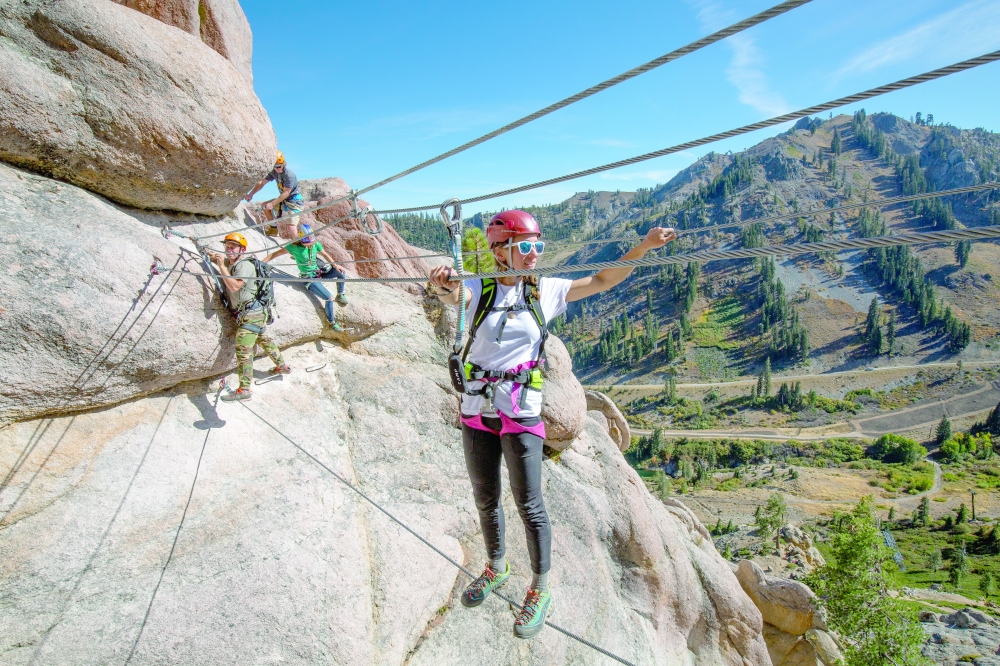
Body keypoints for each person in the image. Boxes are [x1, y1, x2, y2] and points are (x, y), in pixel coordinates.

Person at [427, 211, 676, 639]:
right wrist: (441, 281)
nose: (534, 256)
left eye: (538, 246)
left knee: (530, 504)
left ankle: (540, 589)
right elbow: (449, 294)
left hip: (520, 409)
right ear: (499, 250)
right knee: (485, 498)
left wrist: (645, 247)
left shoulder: (547, 291)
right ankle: (497, 567)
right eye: (525, 246)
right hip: (476, 409)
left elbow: (601, 281)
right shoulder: (476, 290)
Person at [209, 232, 290, 402]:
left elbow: (234, 286)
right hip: (256, 312)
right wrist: (212, 256)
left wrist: (221, 267)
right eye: (227, 247)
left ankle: (244, 389)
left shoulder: (244, 266)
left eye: (233, 247)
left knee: (243, 351)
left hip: (250, 314)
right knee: (264, 340)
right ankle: (282, 366)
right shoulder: (233, 263)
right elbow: (224, 262)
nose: (228, 250)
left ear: (242, 250)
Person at [263, 224, 349, 331]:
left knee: (341, 272)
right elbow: (275, 254)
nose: (309, 245)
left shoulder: (315, 244)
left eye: (311, 243)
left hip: (318, 274)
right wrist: (261, 263)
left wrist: (335, 266)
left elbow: (325, 254)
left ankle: (340, 294)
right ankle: (332, 323)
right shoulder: (294, 247)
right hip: (309, 279)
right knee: (329, 298)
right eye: (306, 243)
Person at [244, 150, 305, 238]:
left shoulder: (289, 175)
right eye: (274, 167)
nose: (277, 169)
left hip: (295, 202)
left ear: (283, 164)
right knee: (265, 206)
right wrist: (251, 194)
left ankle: (297, 245)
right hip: (284, 201)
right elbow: (261, 183)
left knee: (291, 227)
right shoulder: (274, 172)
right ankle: (273, 229)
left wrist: (272, 204)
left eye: (278, 166)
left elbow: (286, 192)